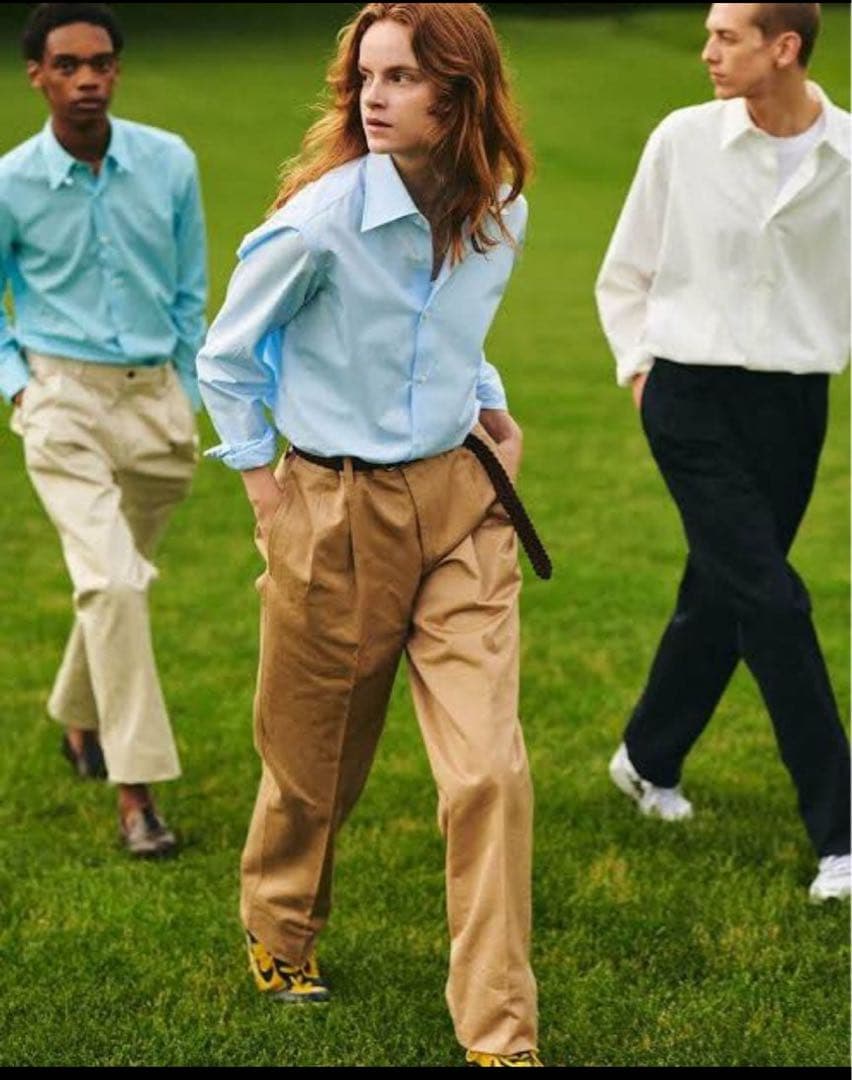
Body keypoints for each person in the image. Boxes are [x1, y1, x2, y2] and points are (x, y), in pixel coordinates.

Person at [197, 2, 545, 1066]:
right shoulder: (320, 223)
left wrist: (489, 404)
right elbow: (227, 357)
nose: (372, 97)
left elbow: (450, 330)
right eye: (365, 78)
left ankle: (500, 1034)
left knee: (488, 772)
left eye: (400, 77)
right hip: (334, 509)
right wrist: (267, 493)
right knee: (315, 766)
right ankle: (280, 926)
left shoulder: (501, 207)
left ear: (461, 89)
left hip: (463, 504)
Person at [596, 2, 850, 903]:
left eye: (726, 36)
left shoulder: (846, 156)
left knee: (723, 594)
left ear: (784, 48)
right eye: (708, 33)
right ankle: (843, 835)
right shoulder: (683, 139)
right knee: (773, 599)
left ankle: (646, 756)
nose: (706, 51)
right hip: (689, 398)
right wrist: (642, 374)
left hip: (795, 403)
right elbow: (626, 271)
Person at [0, 3, 207, 856]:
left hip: (157, 403)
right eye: (68, 65)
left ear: (117, 70)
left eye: (101, 63)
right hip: (63, 403)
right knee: (116, 585)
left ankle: (75, 716)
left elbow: (191, 289)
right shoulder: (10, 182)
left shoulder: (170, 162)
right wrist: (21, 391)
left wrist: (187, 391)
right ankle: (137, 793)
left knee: (113, 582)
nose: (87, 79)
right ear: (38, 76)